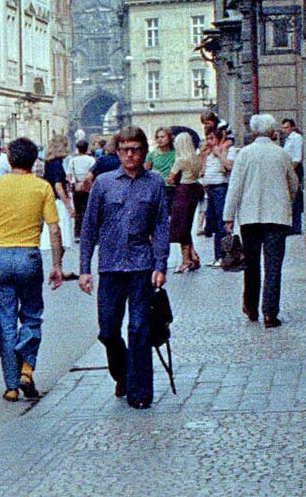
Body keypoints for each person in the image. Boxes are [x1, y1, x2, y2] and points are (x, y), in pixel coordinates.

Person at [78, 127, 172, 409]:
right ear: (117, 152)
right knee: (108, 330)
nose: (130, 154)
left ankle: (141, 392)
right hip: (110, 267)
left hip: (141, 266)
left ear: (144, 151)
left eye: (135, 149)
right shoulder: (104, 184)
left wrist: (161, 264)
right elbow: (89, 227)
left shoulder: (154, 183)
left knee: (139, 328)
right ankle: (123, 374)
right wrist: (84, 269)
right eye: (124, 149)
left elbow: (161, 225)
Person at [0, 138, 64, 402]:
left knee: (6, 322)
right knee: (32, 315)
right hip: (29, 255)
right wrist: (57, 264)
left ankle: (11, 386)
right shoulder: (42, 187)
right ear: (34, 161)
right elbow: (53, 228)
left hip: (1, 257)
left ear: (10, 159)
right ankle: (26, 368)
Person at [224, 114, 301, 328]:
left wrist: (228, 216)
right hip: (276, 217)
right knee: (273, 265)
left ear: (254, 132)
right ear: (272, 132)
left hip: (249, 218)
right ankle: (270, 313)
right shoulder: (282, 154)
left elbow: (235, 187)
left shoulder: (245, 154)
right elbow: (294, 185)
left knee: (251, 264)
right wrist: (287, 201)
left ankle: (250, 307)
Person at [164, 129, 205, 273]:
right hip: (194, 190)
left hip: (182, 192)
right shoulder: (196, 159)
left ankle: (186, 260)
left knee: (180, 227)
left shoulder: (180, 160)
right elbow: (201, 173)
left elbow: (170, 178)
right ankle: (193, 256)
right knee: (187, 225)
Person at [198, 125, 234, 262]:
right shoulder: (207, 153)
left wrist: (219, 154)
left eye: (211, 138)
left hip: (220, 188)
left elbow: (229, 167)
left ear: (218, 139)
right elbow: (201, 170)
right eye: (207, 138)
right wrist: (203, 156)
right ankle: (217, 256)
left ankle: (224, 256)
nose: (209, 142)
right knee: (212, 223)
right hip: (210, 189)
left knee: (221, 222)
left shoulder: (226, 150)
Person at [281, 118, 306, 236]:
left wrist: (290, 172)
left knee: (295, 198)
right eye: (283, 127)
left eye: (286, 127)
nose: (284, 130)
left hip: (294, 170)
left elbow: (297, 158)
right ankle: (291, 225)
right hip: (290, 169)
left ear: (292, 127)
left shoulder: (296, 138)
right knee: (290, 198)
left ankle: (296, 226)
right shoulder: (288, 139)